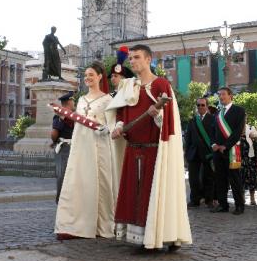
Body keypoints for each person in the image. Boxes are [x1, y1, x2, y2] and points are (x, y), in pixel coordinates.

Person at [109, 44, 192, 250]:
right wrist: (119, 126)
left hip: (155, 150)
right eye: (130, 58)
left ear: (148, 59)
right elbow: (122, 114)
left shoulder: (160, 84)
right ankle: (139, 237)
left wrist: (158, 116)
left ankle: (162, 235)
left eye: (136, 57)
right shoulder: (128, 86)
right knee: (134, 194)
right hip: (133, 148)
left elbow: (169, 122)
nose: (132, 61)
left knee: (153, 193)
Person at [55, 63, 119, 239]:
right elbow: (78, 123)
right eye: (86, 75)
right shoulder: (81, 99)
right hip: (81, 145)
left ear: (100, 76)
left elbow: (113, 123)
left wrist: (106, 128)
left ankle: (100, 224)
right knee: (79, 182)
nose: (88, 78)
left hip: (99, 146)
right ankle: (74, 225)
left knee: (100, 182)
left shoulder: (108, 100)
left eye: (91, 74)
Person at [209, 87, 247, 215]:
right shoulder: (217, 114)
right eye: (219, 95)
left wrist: (226, 145)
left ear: (230, 96)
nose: (221, 97)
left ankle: (239, 206)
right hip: (217, 151)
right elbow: (212, 132)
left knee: (235, 179)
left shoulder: (239, 111)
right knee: (220, 179)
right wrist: (214, 144)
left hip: (231, 151)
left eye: (223, 94)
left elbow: (238, 132)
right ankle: (223, 205)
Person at [184, 96, 215, 208]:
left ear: (207, 106)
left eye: (203, 105)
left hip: (207, 153)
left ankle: (209, 200)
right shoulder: (192, 121)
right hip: (194, 153)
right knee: (193, 178)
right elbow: (188, 139)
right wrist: (187, 154)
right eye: (198, 105)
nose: (200, 107)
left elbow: (214, 137)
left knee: (209, 178)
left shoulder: (212, 119)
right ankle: (194, 200)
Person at [51, 92, 75, 204]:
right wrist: (55, 142)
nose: (74, 103)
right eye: (72, 101)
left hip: (74, 147)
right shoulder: (59, 116)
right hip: (64, 147)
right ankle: (61, 200)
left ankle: (69, 199)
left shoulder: (74, 116)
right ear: (68, 102)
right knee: (63, 174)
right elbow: (54, 133)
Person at [241, 122, 257, 206]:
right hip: (241, 157)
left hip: (251, 157)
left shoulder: (251, 128)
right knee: (241, 176)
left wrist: (254, 137)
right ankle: (242, 197)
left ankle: (252, 198)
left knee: (252, 177)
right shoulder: (235, 127)